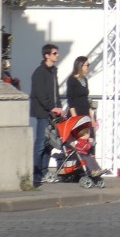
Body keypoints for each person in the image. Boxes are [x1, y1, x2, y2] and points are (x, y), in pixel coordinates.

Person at [29, 43, 64, 186]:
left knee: (49, 144)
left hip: (53, 114)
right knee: (40, 144)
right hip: (44, 113)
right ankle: (36, 174)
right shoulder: (39, 72)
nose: (57, 55)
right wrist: (52, 108)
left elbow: (56, 93)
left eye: (57, 53)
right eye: (55, 53)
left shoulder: (53, 71)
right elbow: (41, 94)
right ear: (47, 56)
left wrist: (60, 107)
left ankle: (44, 171)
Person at [65, 56, 97, 135]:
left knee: (88, 137)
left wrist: (92, 118)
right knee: (79, 137)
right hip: (77, 113)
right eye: (87, 65)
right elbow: (70, 100)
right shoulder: (72, 80)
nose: (88, 67)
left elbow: (86, 99)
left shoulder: (84, 80)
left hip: (85, 112)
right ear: (80, 65)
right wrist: (75, 118)